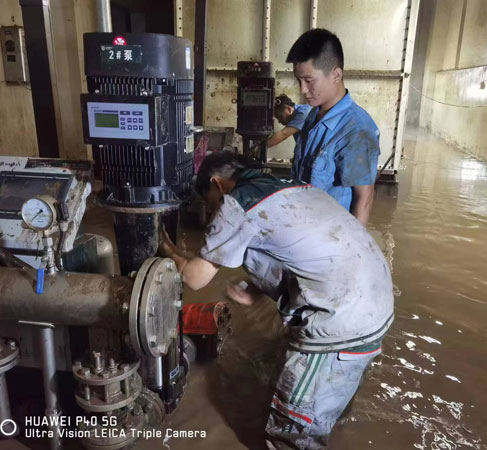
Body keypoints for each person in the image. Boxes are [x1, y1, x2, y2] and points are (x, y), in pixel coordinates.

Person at [158, 151, 394, 449]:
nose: (213, 212)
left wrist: (165, 247)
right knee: (328, 406)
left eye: (210, 203)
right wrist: (255, 288)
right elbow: (299, 249)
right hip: (374, 303)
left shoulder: (238, 202)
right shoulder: (292, 186)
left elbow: (194, 278)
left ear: (217, 184)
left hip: (337, 322)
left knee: (291, 431)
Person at [286, 28, 381, 227]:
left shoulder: (356, 130)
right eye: (299, 80)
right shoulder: (313, 115)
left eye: (309, 80)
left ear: (336, 75)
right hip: (303, 226)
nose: (303, 90)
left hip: (331, 235)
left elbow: (364, 199)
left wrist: (353, 244)